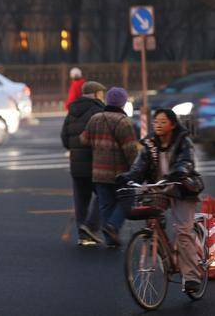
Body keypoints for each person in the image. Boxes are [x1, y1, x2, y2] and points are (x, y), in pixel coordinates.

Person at [117, 108, 202, 293]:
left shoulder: (183, 141)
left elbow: (186, 161)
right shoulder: (150, 144)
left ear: (172, 125)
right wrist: (128, 177)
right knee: (152, 221)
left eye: (163, 122)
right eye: (156, 122)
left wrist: (179, 172)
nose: (158, 125)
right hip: (159, 188)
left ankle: (191, 277)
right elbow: (139, 167)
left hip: (181, 187)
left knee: (183, 232)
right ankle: (164, 249)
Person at [80, 87, 138, 247]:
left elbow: (83, 140)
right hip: (119, 172)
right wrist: (137, 170)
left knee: (106, 204)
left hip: (98, 171)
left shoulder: (95, 118)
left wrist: (98, 144)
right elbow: (130, 150)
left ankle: (110, 239)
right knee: (128, 200)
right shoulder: (123, 122)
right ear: (123, 103)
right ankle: (112, 227)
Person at [61, 81, 106, 246]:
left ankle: (82, 233)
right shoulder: (99, 111)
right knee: (103, 195)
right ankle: (91, 227)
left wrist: (74, 148)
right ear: (95, 94)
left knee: (81, 200)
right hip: (95, 163)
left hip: (76, 164)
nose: (103, 96)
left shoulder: (72, 111)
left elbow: (64, 137)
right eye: (101, 93)